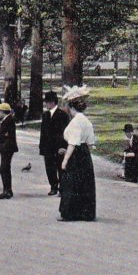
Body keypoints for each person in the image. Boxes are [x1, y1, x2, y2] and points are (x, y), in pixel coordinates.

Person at [59, 85, 97, 221]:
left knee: (71, 182)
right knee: (85, 183)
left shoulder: (75, 122)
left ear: (70, 107)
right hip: (85, 154)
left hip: (75, 154)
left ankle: (70, 213)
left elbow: (72, 143)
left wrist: (65, 160)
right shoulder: (86, 121)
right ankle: (85, 212)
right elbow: (91, 143)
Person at [39, 91, 70, 196]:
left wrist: (63, 146)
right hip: (48, 147)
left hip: (58, 147)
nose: (46, 104)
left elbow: (65, 132)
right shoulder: (45, 115)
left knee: (60, 168)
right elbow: (43, 132)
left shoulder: (63, 115)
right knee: (49, 168)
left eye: (47, 102)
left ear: (52, 102)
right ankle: (53, 186)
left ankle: (62, 188)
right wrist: (42, 147)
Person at [0, 103, 18, 199]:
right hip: (5, 147)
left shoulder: (9, 120)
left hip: (7, 147)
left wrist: (0, 133)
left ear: (3, 111)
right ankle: (7, 190)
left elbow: (4, 134)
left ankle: (7, 190)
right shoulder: (5, 120)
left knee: (3, 168)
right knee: (5, 168)